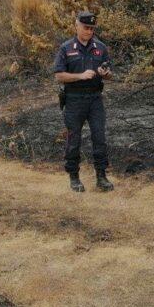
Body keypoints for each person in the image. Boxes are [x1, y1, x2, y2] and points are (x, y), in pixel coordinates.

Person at [54, 11, 114, 192]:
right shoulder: (66, 48)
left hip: (95, 98)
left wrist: (106, 74)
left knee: (99, 137)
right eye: (86, 27)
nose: (89, 31)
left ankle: (101, 176)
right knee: (74, 139)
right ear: (77, 26)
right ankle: (74, 177)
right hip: (74, 99)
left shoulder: (100, 47)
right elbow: (59, 75)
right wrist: (80, 76)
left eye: (92, 28)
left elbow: (110, 72)